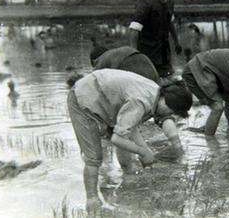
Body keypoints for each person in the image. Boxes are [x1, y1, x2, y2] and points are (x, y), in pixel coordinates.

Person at [67, 69, 192, 215]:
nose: (169, 115)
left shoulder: (154, 92)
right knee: (94, 158)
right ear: (165, 101)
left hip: (101, 94)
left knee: (125, 137)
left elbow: (131, 128)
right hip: (83, 99)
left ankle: (127, 177)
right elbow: (117, 138)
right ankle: (92, 200)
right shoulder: (141, 102)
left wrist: (145, 150)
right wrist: (142, 151)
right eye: (170, 111)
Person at [128, 0, 182, 78]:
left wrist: (176, 41)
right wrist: (134, 55)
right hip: (148, 55)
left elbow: (170, 22)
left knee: (168, 83)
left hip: (164, 53)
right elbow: (134, 30)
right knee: (149, 84)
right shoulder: (146, 1)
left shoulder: (169, 1)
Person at [90, 45, 160, 84]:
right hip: (145, 60)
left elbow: (93, 85)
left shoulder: (99, 62)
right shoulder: (113, 54)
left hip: (127, 64)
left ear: (93, 61)